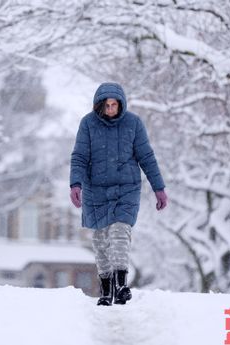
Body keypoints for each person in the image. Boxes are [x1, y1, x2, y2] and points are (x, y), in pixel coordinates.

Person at [69, 82, 167, 306]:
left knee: (120, 232)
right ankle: (106, 291)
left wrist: (159, 188)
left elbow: (146, 156)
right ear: (99, 106)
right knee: (101, 240)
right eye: (107, 105)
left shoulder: (133, 123)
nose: (111, 109)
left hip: (126, 189)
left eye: (114, 105)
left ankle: (121, 285)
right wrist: (75, 184)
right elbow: (79, 157)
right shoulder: (88, 124)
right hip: (96, 190)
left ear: (120, 104)